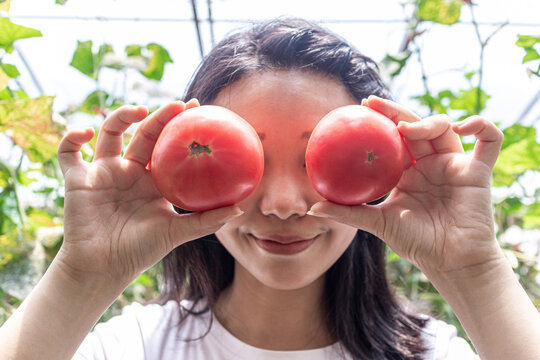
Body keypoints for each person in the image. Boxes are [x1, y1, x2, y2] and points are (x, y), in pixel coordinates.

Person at [0, 17, 539, 360]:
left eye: (318, 159)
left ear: (390, 170)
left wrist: (477, 273)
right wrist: (81, 275)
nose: (283, 204)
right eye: (248, 159)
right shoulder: (134, 346)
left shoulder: (433, 355)